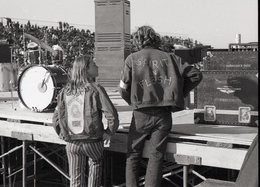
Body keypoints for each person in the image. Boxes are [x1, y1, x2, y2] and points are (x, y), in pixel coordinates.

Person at [119, 25, 203, 187]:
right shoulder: (171, 57)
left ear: (138, 40)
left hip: (140, 115)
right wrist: (180, 94)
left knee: (133, 155)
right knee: (156, 155)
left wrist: (132, 101)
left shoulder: (132, 59)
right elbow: (196, 75)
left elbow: (122, 88)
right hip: (163, 114)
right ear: (155, 38)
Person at [52, 55, 119, 187]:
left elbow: (56, 117)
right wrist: (109, 132)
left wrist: (61, 132)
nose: (97, 66)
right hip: (92, 141)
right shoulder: (96, 89)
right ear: (86, 69)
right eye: (94, 65)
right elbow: (112, 114)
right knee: (96, 164)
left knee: (75, 180)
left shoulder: (65, 91)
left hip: (71, 142)